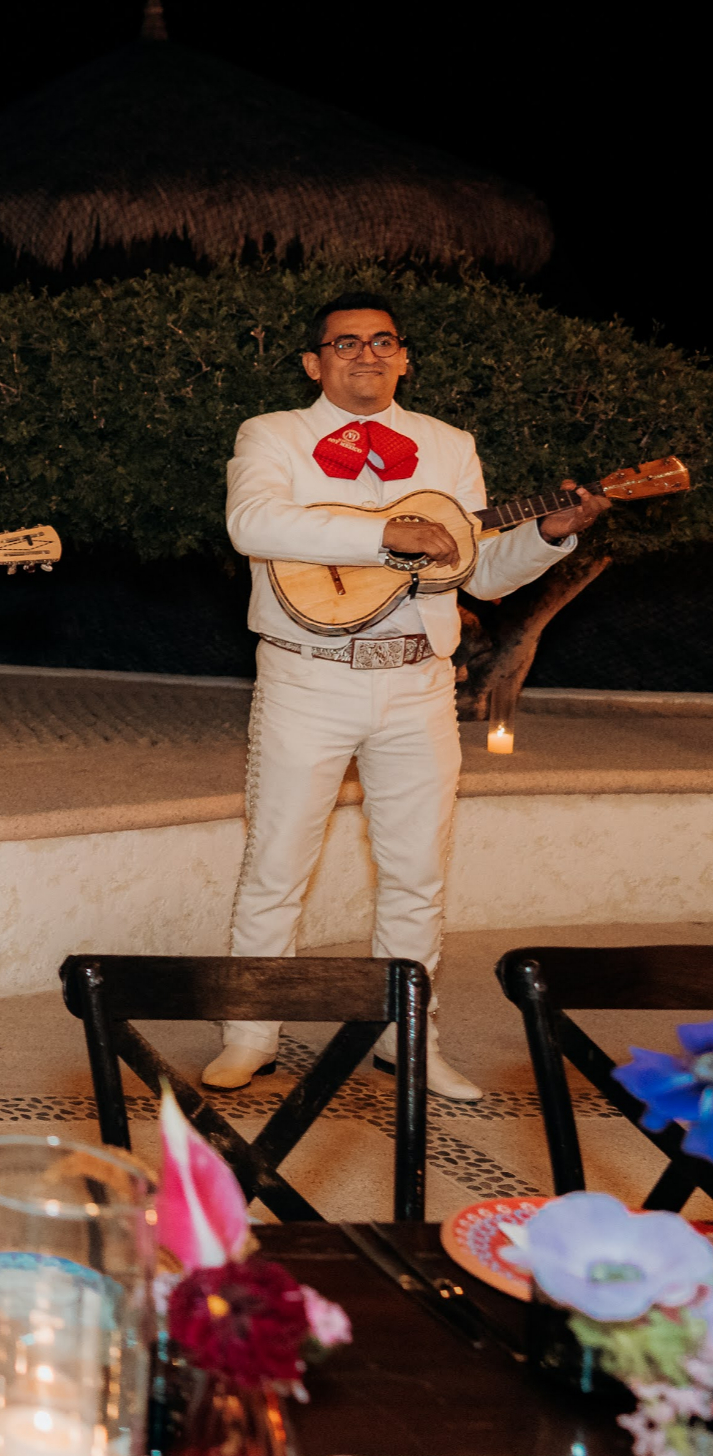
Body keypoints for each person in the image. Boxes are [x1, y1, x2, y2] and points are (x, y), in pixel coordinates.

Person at [206, 290, 604, 1104]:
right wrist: (383, 532)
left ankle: (408, 1036)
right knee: (277, 863)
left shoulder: (449, 446)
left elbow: (479, 573)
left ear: (406, 357)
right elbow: (253, 523)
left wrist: (547, 537)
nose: (367, 354)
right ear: (314, 363)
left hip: (420, 681)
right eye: (346, 343)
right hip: (307, 676)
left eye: (383, 341)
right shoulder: (271, 435)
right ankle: (249, 1033)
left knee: (417, 871)